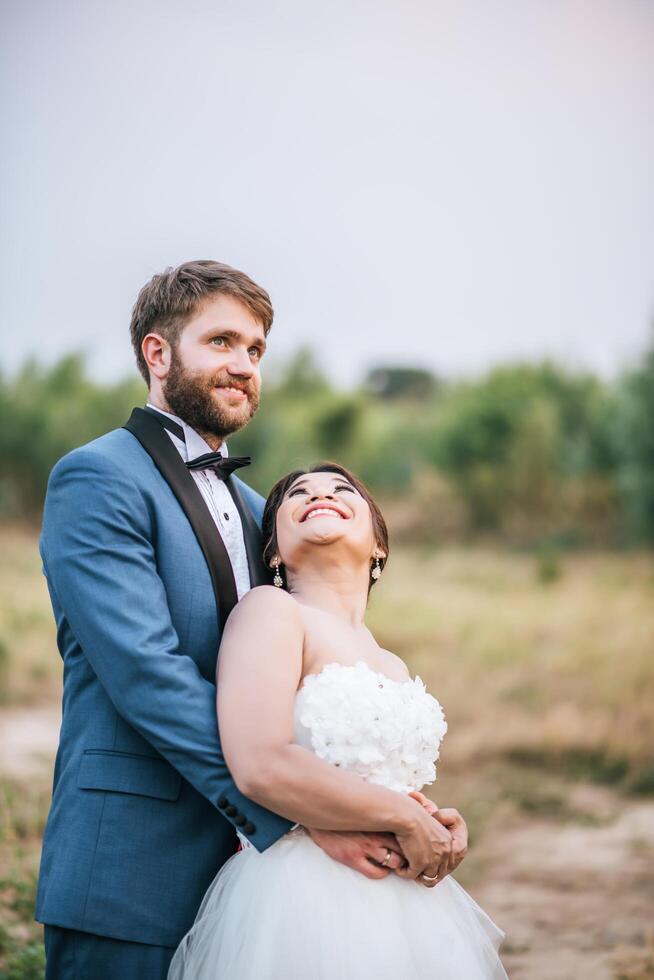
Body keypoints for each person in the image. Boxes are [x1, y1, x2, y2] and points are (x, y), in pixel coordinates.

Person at [36, 260, 467, 980]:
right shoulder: (97, 476)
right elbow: (147, 674)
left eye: (256, 350)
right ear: (158, 352)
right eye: (222, 342)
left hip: (254, 882)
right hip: (133, 861)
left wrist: (391, 802)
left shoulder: (261, 509)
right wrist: (303, 818)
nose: (243, 365)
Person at [168, 462, 508, 979]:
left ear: (379, 546)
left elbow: (376, 781)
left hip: (405, 910)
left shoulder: (391, 662)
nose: (318, 494)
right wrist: (405, 819)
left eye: (341, 489)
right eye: (297, 494)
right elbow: (260, 763)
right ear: (275, 552)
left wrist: (433, 822)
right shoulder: (273, 612)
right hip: (301, 898)